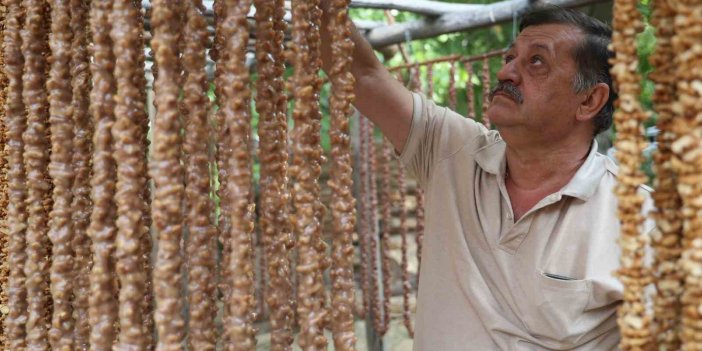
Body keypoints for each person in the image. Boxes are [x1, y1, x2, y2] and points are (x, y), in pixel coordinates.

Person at [319, 4, 652, 350]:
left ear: (589, 101)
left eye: (536, 61)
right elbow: (362, 73)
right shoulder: (450, 150)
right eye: (510, 57)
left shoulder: (642, 220)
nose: (506, 72)